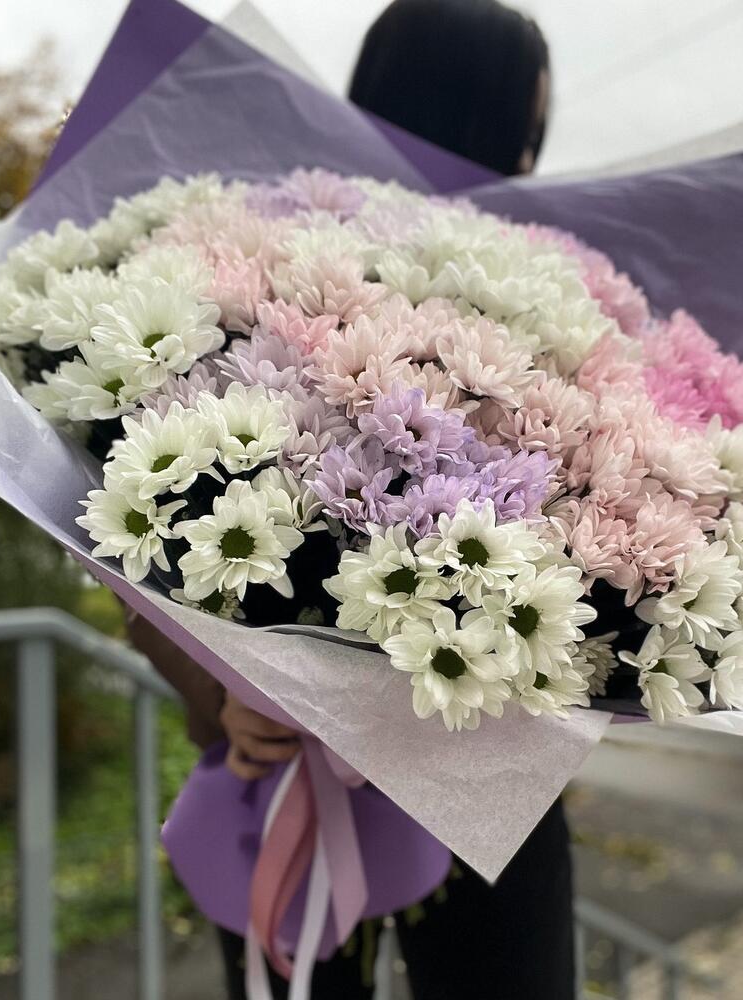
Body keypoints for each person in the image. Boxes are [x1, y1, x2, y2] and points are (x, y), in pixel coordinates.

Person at [128, 2, 570, 997]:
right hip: (278, 770)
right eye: (523, 128)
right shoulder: (265, 261)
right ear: (466, 115)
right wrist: (226, 691)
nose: (530, 161)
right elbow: (134, 511)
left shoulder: (551, 301)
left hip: (490, 783)